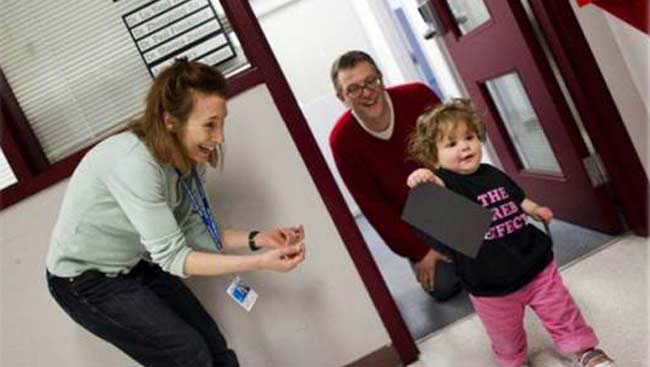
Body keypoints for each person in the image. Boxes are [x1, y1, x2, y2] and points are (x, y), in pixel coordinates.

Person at [45, 59, 306, 367]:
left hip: (130, 264)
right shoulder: (134, 164)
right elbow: (174, 258)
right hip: (83, 281)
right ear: (171, 121)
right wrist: (259, 263)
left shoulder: (185, 160)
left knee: (212, 344)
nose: (220, 137)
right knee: (187, 352)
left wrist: (259, 239)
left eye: (222, 123)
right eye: (210, 125)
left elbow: (195, 232)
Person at [406, 98, 616, 367]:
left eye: (468, 137)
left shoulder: (492, 173)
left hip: (533, 263)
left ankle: (585, 350)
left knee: (561, 310)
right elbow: (433, 187)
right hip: (490, 284)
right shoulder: (446, 184)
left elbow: (518, 199)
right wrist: (424, 177)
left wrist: (535, 209)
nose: (464, 146)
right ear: (434, 157)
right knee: (505, 335)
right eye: (451, 144)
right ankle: (513, 361)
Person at [329, 50, 460, 301]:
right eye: (353, 89)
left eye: (370, 81)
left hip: (450, 196)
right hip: (412, 219)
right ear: (341, 98)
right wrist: (419, 251)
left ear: (380, 77)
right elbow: (373, 207)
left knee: (499, 260)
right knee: (443, 285)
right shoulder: (342, 140)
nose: (367, 93)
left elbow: (458, 148)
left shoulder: (418, 96)